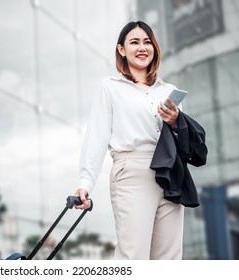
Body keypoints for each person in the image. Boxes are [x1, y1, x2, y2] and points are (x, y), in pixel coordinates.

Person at [74, 21, 186, 260]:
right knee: (133, 256)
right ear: (121, 50)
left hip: (170, 172)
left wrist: (177, 122)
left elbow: (181, 140)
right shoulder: (110, 88)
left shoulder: (169, 90)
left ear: (154, 48)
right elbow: (97, 135)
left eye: (147, 42)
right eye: (134, 42)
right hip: (132, 172)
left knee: (169, 258)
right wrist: (85, 182)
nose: (142, 47)